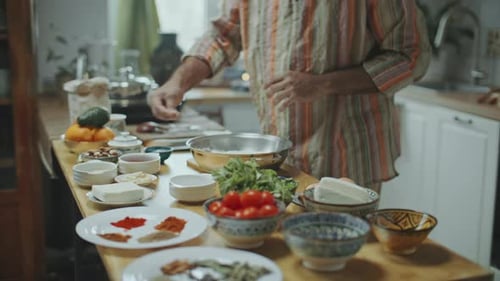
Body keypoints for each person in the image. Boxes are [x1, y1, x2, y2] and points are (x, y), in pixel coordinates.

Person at [148, 0, 431, 193]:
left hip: (347, 154)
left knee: (341, 262)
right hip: (278, 156)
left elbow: (410, 56)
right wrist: (177, 83)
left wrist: (324, 84)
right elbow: (224, 36)